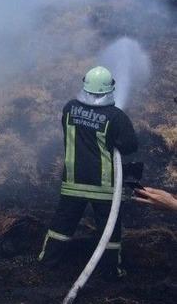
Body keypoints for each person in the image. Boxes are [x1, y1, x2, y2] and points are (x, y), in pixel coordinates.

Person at [38, 66, 138, 280]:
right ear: (109, 89)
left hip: (73, 182)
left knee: (62, 225)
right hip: (104, 186)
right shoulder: (115, 116)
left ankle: (47, 263)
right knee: (109, 231)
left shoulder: (69, 108)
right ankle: (110, 272)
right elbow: (130, 146)